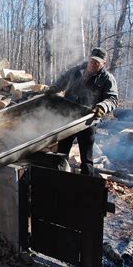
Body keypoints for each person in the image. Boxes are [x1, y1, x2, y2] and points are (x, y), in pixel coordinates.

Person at [44, 47, 118, 176]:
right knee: (61, 153)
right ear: (89, 59)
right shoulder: (76, 71)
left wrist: (103, 106)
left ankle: (86, 184)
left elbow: (112, 99)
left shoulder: (107, 79)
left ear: (104, 64)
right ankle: (60, 179)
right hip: (68, 117)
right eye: (92, 61)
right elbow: (62, 81)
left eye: (97, 63)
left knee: (86, 159)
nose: (93, 64)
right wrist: (54, 89)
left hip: (87, 120)